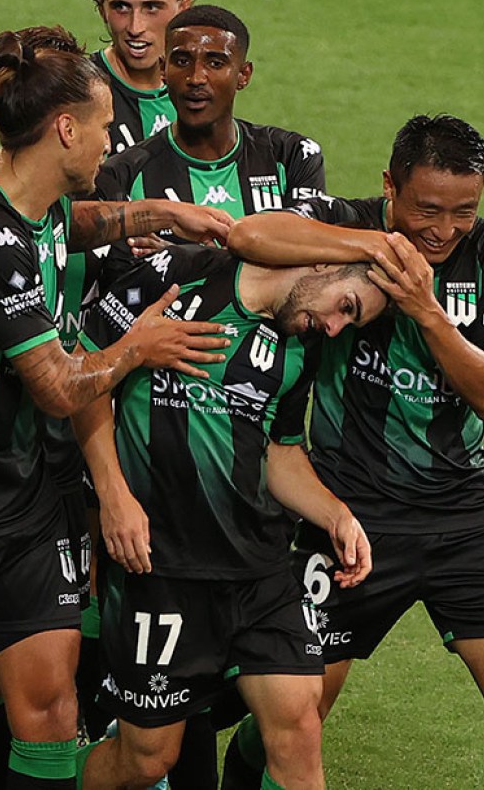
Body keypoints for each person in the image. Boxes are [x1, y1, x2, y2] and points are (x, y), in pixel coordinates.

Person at [0, 26, 237, 790]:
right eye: (99, 125)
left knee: (52, 715)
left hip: (26, 512)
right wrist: (137, 347)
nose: (108, 138)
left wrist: (159, 212)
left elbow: (78, 226)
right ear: (64, 129)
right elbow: (55, 386)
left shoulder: (42, 205)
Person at [221, 115, 484, 790]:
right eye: (426, 210)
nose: (442, 230)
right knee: (295, 713)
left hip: (463, 514)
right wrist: (372, 246)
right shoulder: (344, 224)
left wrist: (423, 308)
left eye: (463, 211)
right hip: (347, 512)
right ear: (390, 186)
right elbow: (249, 235)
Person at [71, 240, 384, 790]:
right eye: (346, 306)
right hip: (163, 568)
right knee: (147, 758)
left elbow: (280, 452)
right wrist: (113, 493)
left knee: (298, 726)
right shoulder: (182, 275)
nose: (334, 328)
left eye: (348, 322)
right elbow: (84, 376)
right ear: (325, 261)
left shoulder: (298, 346)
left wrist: (337, 516)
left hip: (258, 572)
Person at [96, 4, 327, 231]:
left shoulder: (293, 156)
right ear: (163, 70)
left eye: (216, 63)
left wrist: (174, 253)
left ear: (243, 75)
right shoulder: (122, 175)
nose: (196, 78)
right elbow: (128, 267)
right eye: (182, 61)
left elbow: (309, 254)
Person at [90, 0, 194, 154]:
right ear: (102, 9)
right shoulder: (77, 92)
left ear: (183, 7)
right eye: (121, 7)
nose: (135, 27)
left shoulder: (199, 91)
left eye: (152, 7)